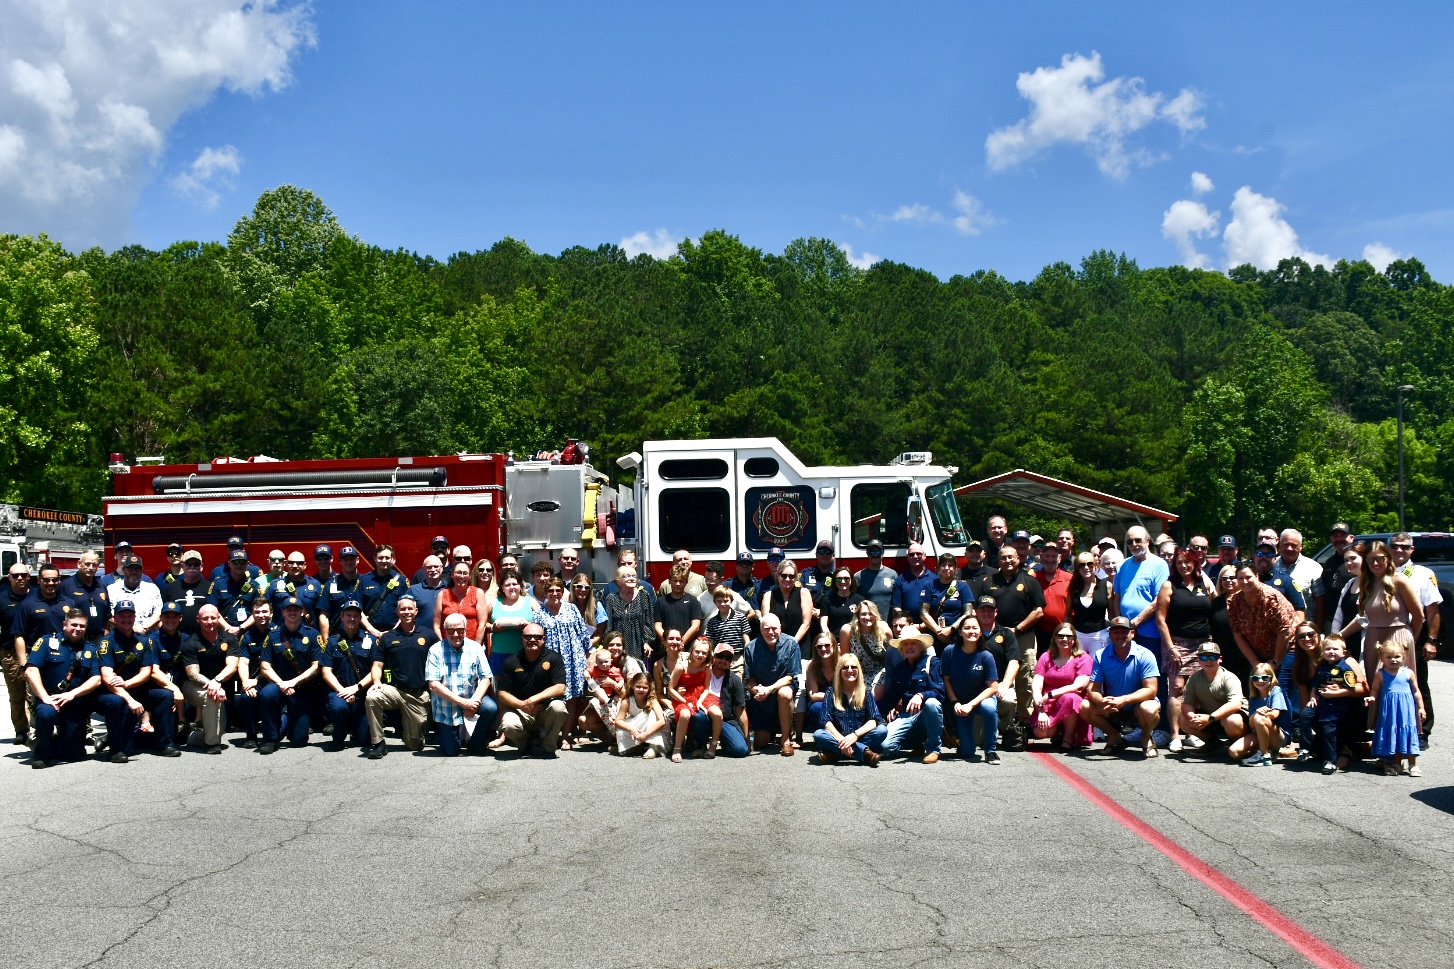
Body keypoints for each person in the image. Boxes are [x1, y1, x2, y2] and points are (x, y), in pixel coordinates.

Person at [98, 600, 181, 761]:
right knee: (127, 748)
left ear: (135, 617)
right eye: (122, 616)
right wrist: (129, 698)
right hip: (115, 693)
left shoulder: (144, 641)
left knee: (165, 695)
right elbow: (107, 677)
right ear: (114, 618)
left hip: (135, 689)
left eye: (130, 615)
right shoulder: (107, 642)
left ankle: (164, 744)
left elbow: (146, 672)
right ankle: (116, 748)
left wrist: (127, 684)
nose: (126, 619)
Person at [25, 609, 103, 768]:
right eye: (74, 624)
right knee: (45, 714)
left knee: (75, 754)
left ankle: (58, 741)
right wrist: (45, 697)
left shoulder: (90, 649)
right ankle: (42, 753)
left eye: (82, 626)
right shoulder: (47, 642)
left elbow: (96, 679)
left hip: (74, 702)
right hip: (50, 698)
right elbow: (30, 671)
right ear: (64, 625)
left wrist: (72, 694)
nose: (78, 629)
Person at [1156, 549, 1216, 753]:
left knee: (1196, 689)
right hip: (1177, 643)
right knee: (1177, 688)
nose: (1184, 566)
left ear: (1195, 563)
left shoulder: (1204, 582)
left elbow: (1215, 606)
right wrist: (1171, 647)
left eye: (1187, 562)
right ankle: (1175, 735)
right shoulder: (1169, 585)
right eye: (1179, 562)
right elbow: (1160, 620)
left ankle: (1192, 732)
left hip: (1203, 643)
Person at [981, 546, 1045, 729]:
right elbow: (982, 609)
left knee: (1025, 680)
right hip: (995, 638)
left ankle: (1025, 723)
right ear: (998, 560)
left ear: (1018, 558)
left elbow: (1039, 611)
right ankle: (1001, 724)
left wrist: (1016, 629)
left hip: (1024, 636)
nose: (1007, 561)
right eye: (1003, 558)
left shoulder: (1030, 581)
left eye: (1011, 557)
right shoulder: (989, 582)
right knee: (998, 678)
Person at [1388, 532, 1443, 743]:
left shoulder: (1422, 574)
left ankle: (1422, 731)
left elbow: (1432, 610)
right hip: (1386, 636)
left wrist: (1431, 640)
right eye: (1395, 546)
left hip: (1414, 635)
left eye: (1404, 546)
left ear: (1412, 550)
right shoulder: (1380, 570)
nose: (1399, 550)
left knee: (1417, 683)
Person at [1082, 616, 1162, 758]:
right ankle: (1115, 738)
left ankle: (1145, 737)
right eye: (1116, 632)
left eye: (1124, 632)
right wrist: (1101, 700)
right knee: (1084, 707)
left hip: (1138, 705)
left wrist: (1124, 700)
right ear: (1110, 635)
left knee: (1149, 709)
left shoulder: (1145, 654)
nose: (1120, 636)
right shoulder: (1101, 655)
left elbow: (1151, 690)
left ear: (1132, 633)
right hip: (1113, 705)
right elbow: (1093, 688)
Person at [364, 595, 432, 758]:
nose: (406, 612)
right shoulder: (388, 637)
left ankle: (405, 727)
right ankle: (378, 743)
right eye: (403, 609)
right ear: (397, 612)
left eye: (410, 609)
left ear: (416, 611)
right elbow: (377, 665)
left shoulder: (429, 635)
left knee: (414, 745)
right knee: (372, 697)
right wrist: (376, 681)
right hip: (396, 691)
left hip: (418, 695)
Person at [533, 576, 593, 749]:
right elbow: (536, 640)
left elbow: (583, 634)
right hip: (551, 662)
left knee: (572, 698)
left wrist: (589, 656)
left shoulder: (572, 609)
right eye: (551, 590)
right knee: (552, 698)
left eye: (558, 590)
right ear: (546, 592)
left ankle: (566, 736)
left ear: (562, 592)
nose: (555, 593)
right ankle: (551, 735)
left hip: (574, 660)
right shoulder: (539, 614)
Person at [426, 613, 498, 757]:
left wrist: (474, 702)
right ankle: (451, 738)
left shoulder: (476, 648)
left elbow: (486, 678)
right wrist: (463, 703)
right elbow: (433, 685)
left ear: (465, 630)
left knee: (490, 708)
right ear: (445, 631)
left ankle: (476, 744)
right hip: (446, 705)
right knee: (451, 751)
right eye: (451, 631)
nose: (455, 634)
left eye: (459, 630)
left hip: (472, 697)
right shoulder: (435, 650)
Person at [257, 597, 322, 754]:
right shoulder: (273, 636)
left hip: (302, 687)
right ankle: (270, 739)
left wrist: (293, 682)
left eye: (296, 609)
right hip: (278, 684)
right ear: (283, 613)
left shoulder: (313, 635)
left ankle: (286, 721)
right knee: (266, 694)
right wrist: (282, 683)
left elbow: (316, 667)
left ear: (302, 612)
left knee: (298, 741)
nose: (292, 612)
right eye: (289, 610)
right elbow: (265, 667)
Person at [492, 623, 568, 756]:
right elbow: (502, 694)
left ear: (543, 639)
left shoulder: (554, 658)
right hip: (520, 710)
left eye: (537, 637)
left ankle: (548, 747)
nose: (532, 640)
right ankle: (526, 744)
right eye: (528, 637)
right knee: (508, 725)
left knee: (559, 707)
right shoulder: (511, 661)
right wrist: (523, 705)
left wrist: (532, 700)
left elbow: (560, 688)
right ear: (522, 639)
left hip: (544, 709)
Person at [878, 626, 945, 764]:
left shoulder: (932, 662)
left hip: (926, 714)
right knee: (885, 746)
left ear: (921, 647)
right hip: (907, 715)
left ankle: (933, 749)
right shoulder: (899, 669)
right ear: (901, 650)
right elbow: (890, 698)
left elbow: (939, 692)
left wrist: (921, 695)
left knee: (932, 703)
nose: (909, 647)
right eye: (905, 644)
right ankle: (916, 743)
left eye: (913, 643)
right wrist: (869, 712)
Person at [1302, 634, 1366, 775]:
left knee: (1329, 729)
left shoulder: (1346, 666)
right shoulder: (1322, 665)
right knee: (1305, 716)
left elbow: (1356, 688)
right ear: (1323, 651)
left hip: (1338, 706)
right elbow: (1315, 683)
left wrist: (1336, 692)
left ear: (1343, 652)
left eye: (1335, 649)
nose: (1331, 652)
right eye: (1328, 649)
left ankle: (1333, 759)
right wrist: (1312, 696)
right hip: (1320, 703)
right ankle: (1305, 747)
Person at [178, 605, 239, 754]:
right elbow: (193, 674)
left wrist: (217, 681)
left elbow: (232, 666)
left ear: (219, 618)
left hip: (219, 684)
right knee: (210, 697)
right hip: (193, 686)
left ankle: (195, 737)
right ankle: (212, 745)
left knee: (219, 730)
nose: (209, 621)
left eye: (213, 617)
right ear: (198, 620)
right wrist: (212, 685)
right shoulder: (191, 643)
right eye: (205, 618)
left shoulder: (229, 639)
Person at [941, 616, 1000, 763]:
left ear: (980, 632)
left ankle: (990, 750)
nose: (971, 631)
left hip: (981, 701)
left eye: (975, 628)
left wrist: (971, 705)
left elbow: (993, 687)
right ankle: (965, 742)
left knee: (989, 708)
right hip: (960, 704)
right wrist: (955, 702)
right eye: (967, 628)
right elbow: (946, 680)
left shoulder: (986, 656)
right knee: (967, 752)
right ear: (960, 632)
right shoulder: (949, 651)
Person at [319, 599, 376, 750]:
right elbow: (326, 672)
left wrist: (356, 688)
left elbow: (375, 670)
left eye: (356, 616)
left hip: (362, 692)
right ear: (342, 617)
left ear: (360, 618)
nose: (352, 618)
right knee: (338, 707)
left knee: (363, 740)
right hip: (339, 692)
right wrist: (343, 691)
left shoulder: (370, 640)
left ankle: (356, 729)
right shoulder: (332, 642)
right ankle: (338, 736)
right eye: (348, 615)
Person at [813, 652, 885, 766]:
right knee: (819, 735)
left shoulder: (866, 692)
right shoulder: (831, 692)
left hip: (860, 737)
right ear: (839, 671)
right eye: (845, 667)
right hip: (838, 737)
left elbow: (875, 720)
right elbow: (825, 721)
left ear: (858, 670)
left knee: (882, 730)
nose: (850, 670)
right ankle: (865, 754)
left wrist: (854, 736)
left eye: (853, 667)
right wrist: (842, 740)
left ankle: (836, 754)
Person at [1177, 643, 1249, 758]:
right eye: (1204, 657)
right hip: (1209, 718)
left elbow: (1235, 704)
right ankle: (1212, 743)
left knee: (1232, 721)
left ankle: (1238, 743)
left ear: (1220, 659)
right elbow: (1186, 703)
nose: (1208, 661)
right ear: (1198, 660)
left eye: (1213, 656)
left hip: (1230, 718)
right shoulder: (1194, 679)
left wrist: (1210, 718)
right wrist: (1193, 718)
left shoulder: (1229, 677)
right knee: (1183, 719)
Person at [744, 612, 801, 756]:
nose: (771, 632)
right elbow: (749, 679)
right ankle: (774, 728)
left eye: (774, 628)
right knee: (760, 743)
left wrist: (769, 689)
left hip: (782, 688)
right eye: (767, 629)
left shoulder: (791, 644)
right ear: (760, 630)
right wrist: (756, 690)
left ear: (780, 628)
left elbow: (790, 677)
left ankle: (786, 740)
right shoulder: (750, 648)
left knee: (784, 693)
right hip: (763, 694)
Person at [1227, 565, 1297, 680]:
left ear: (1256, 576)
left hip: (1286, 650)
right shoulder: (1234, 601)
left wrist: (1275, 662)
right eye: (1240, 578)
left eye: (1248, 577)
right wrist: (1255, 663)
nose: (1245, 582)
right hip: (1259, 655)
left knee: (1280, 687)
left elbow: (1284, 631)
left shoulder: (1271, 597)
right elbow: (1237, 634)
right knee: (1257, 687)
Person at [1031, 622, 1094, 749]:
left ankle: (1068, 738)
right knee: (1041, 733)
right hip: (1048, 703)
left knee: (1070, 698)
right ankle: (1057, 733)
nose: (1065, 639)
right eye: (1060, 636)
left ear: (1074, 639)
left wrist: (1051, 694)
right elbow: (1036, 685)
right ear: (1054, 638)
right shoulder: (1046, 656)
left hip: (1072, 703)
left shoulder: (1083, 658)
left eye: (1069, 636)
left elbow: (1078, 687)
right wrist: (1041, 710)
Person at [973, 596, 1023, 751]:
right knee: (978, 741)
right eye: (982, 610)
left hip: (1001, 684)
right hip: (977, 688)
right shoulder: (970, 632)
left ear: (996, 612)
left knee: (1008, 700)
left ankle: (1006, 730)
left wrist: (1005, 684)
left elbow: (1014, 661)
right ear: (976, 612)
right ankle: (987, 728)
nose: (986, 614)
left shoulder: (1006, 634)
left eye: (990, 610)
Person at [1115, 526, 1170, 658]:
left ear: (1147, 541)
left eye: (1138, 540)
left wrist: (1135, 622)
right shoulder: (1122, 566)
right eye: (1130, 542)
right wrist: (1120, 625)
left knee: (1150, 669)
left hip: (1150, 633)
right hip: (1126, 633)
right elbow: (1116, 598)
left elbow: (1159, 601)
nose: (1134, 544)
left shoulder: (1159, 565)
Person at [1370, 641, 1423, 777]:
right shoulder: (1381, 674)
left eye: (1397, 656)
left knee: (1407, 733)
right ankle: (1397, 764)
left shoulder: (1408, 673)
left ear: (1404, 657)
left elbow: (1416, 691)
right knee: (1395, 735)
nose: (1393, 660)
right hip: (1390, 712)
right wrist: (1372, 698)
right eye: (1389, 657)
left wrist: (1421, 707)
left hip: (1406, 712)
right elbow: (1375, 690)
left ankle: (1413, 765)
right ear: (1382, 659)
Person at [689, 642, 751, 758]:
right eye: (720, 656)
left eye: (727, 658)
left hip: (725, 720)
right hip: (704, 715)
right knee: (698, 716)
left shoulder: (734, 680)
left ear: (731, 661)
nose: (723, 660)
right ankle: (700, 744)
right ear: (714, 656)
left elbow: (740, 711)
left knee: (741, 750)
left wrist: (747, 739)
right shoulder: (702, 672)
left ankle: (724, 742)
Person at [0, 562, 34, 742]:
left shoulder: (37, 595)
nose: (20, 578)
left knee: (33, 693)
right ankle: (21, 730)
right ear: (9, 578)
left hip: (34, 652)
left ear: (29, 576)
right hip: (10, 653)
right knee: (16, 694)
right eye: (15, 575)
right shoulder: (2, 599)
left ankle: (36, 728)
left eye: (23, 575)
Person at [233, 598, 273, 748]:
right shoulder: (247, 637)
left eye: (264, 611)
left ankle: (271, 731)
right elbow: (243, 662)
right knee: (245, 697)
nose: (261, 615)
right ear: (252, 615)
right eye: (257, 612)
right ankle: (251, 735)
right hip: (254, 681)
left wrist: (257, 680)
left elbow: (277, 666)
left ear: (271, 613)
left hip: (274, 680)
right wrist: (246, 683)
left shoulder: (278, 634)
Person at [668, 640, 714, 761]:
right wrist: (684, 701)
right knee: (685, 714)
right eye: (697, 652)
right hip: (681, 698)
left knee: (707, 713)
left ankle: (700, 743)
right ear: (691, 651)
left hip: (699, 697)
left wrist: (699, 702)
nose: (700, 655)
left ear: (708, 654)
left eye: (704, 653)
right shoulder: (681, 667)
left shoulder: (707, 668)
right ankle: (677, 748)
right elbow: (670, 689)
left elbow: (707, 688)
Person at [603, 565, 656, 665]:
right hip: (618, 646)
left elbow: (648, 622)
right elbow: (608, 626)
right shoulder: (611, 599)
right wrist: (609, 644)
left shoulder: (644, 596)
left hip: (639, 647)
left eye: (634, 576)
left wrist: (647, 642)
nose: (632, 578)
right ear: (619, 580)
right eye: (627, 576)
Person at [1273, 529, 1325, 627]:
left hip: (1304, 629)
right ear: (1279, 545)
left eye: (1294, 545)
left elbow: (1320, 602)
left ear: (1301, 547)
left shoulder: (1313, 568)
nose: (1289, 548)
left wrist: (1317, 628)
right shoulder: (1272, 566)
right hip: (1276, 627)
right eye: (1286, 544)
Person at [841, 600, 891, 701]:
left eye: (870, 614)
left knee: (871, 698)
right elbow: (845, 659)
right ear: (858, 615)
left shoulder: (884, 629)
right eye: (864, 614)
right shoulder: (848, 630)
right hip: (857, 672)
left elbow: (891, 656)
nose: (867, 617)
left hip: (880, 672)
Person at [485, 574, 535, 674]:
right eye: (507, 585)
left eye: (515, 584)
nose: (512, 587)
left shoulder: (530, 601)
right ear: (502, 588)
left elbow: (542, 622)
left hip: (525, 653)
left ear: (520, 586)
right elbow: (483, 624)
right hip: (499, 653)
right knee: (500, 683)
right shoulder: (494, 603)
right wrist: (494, 628)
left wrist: (528, 626)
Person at [611, 671, 667, 758]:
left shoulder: (652, 700)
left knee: (651, 714)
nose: (641, 690)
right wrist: (631, 729)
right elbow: (618, 721)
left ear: (649, 688)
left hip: (650, 729)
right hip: (637, 728)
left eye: (645, 688)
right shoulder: (627, 700)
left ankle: (653, 747)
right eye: (638, 687)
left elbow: (662, 721)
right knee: (621, 732)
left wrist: (646, 734)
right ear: (632, 685)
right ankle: (639, 746)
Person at [922, 554, 972, 650]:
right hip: (935, 636)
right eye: (943, 565)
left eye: (950, 565)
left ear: (955, 568)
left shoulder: (963, 586)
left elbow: (968, 613)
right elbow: (923, 612)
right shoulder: (929, 586)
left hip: (956, 635)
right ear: (938, 568)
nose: (947, 568)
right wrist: (939, 632)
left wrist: (951, 629)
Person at [59, 551, 111, 643]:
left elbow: (107, 616)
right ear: (79, 564)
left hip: (98, 639)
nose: (91, 567)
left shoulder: (101, 585)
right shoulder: (65, 586)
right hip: (75, 640)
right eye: (87, 564)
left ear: (98, 567)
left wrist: (106, 637)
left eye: (94, 565)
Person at [1242, 663, 1288, 766]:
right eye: (1255, 678)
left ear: (1271, 678)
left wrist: (1262, 713)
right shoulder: (1253, 697)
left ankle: (1264, 756)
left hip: (1279, 736)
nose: (1260, 681)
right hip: (1260, 732)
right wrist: (1257, 712)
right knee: (1234, 752)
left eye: (1265, 678)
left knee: (1259, 718)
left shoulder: (1276, 691)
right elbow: (1251, 724)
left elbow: (1275, 714)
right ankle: (1269, 752)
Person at [208, 549, 260, 638]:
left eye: (242, 562)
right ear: (229, 564)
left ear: (247, 564)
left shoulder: (254, 586)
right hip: (223, 633)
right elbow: (212, 610)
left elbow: (258, 611)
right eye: (235, 562)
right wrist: (228, 628)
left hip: (247, 633)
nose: (238, 565)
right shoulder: (218, 584)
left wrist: (241, 628)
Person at [1067, 551, 1112, 656]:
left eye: (1090, 564)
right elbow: (1067, 615)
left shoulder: (1107, 586)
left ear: (1096, 565)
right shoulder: (1073, 587)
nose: (1086, 567)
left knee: (1097, 665)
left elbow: (1112, 614)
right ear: (1077, 568)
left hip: (1099, 636)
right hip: (1078, 636)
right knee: (1078, 665)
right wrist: (1068, 634)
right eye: (1081, 565)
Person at [760, 559, 813, 645]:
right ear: (778, 576)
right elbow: (766, 624)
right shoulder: (768, 596)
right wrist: (781, 645)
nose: (787, 579)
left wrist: (792, 643)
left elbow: (806, 623)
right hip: (775, 645)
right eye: (784, 576)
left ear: (796, 578)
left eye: (791, 576)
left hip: (800, 644)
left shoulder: (804, 593)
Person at [654, 565, 705, 653]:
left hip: (687, 648)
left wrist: (681, 643)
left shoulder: (693, 601)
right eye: (675, 580)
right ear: (669, 581)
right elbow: (657, 626)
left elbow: (695, 626)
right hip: (665, 650)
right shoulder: (660, 602)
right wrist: (667, 642)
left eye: (681, 581)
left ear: (686, 582)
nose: (678, 584)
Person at [1033, 542, 1073, 653]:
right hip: (1040, 634)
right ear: (1041, 557)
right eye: (1047, 556)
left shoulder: (1069, 578)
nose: (1050, 559)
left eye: (1054, 556)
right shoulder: (1033, 579)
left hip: (1064, 633)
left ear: (1059, 558)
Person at [703, 585, 751, 675]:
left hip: (737, 659)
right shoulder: (712, 622)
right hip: (719, 659)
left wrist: (747, 656)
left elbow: (746, 640)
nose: (723, 604)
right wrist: (711, 659)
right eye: (719, 601)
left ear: (731, 600)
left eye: (726, 601)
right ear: (714, 602)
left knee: (736, 680)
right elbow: (711, 643)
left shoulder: (740, 618)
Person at [360, 545, 407, 636]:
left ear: (393, 559)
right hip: (370, 634)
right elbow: (358, 609)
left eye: (387, 558)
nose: (384, 560)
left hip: (396, 633)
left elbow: (407, 608)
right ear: (375, 559)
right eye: (380, 558)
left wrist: (394, 630)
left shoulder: (402, 581)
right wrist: (373, 631)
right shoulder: (364, 580)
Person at [800, 634, 840, 741]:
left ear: (834, 646)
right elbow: (813, 695)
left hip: (841, 701)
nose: (823, 649)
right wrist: (835, 697)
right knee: (816, 708)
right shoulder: (812, 665)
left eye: (827, 645)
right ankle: (821, 739)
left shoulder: (842, 663)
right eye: (819, 646)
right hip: (823, 702)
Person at [436, 561, 485, 643]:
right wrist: (442, 645)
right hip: (448, 644)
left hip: (472, 644)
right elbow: (436, 626)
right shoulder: (442, 595)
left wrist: (476, 647)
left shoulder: (478, 593)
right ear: (452, 575)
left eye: (465, 573)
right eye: (458, 572)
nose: (462, 576)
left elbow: (482, 625)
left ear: (469, 576)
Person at [818, 568, 864, 642]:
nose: (843, 581)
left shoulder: (859, 600)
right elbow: (823, 624)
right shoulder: (827, 600)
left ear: (851, 580)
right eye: (839, 579)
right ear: (834, 581)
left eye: (846, 579)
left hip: (855, 640)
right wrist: (831, 640)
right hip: (834, 641)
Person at [890, 543, 934, 620]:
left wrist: (926, 624)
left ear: (924, 555)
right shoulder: (900, 579)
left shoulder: (934, 579)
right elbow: (896, 607)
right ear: (907, 557)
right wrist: (906, 623)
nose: (915, 556)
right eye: (911, 554)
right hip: (907, 625)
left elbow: (937, 606)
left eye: (919, 554)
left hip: (929, 625)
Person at [854, 539, 898, 617]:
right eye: (872, 552)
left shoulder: (892, 574)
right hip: (868, 621)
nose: (875, 555)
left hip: (887, 622)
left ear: (883, 553)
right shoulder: (858, 576)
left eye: (878, 552)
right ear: (867, 553)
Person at [409, 555, 448, 635]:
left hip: (446, 636)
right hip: (421, 637)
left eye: (436, 566)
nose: (433, 570)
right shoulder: (413, 590)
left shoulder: (449, 588)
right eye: (429, 567)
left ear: (442, 567)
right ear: (423, 569)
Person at [571, 575, 607, 647]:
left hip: (591, 646)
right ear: (573, 587)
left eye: (587, 587)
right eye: (579, 586)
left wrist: (585, 646)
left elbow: (599, 635)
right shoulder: (566, 605)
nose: (583, 590)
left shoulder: (597, 606)